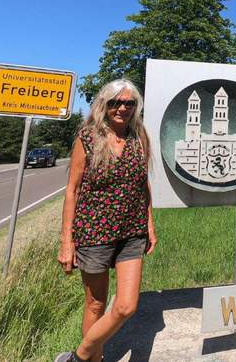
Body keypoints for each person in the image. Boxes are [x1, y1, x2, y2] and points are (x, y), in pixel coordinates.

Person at [55, 79, 157, 362]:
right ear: (104, 105)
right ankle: (94, 360)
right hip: (94, 232)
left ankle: (79, 356)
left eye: (129, 103)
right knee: (96, 304)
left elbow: (142, 184)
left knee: (126, 306)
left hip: (131, 233)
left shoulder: (140, 138)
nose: (122, 108)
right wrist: (67, 241)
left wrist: (149, 222)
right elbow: (72, 191)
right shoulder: (87, 138)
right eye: (115, 102)